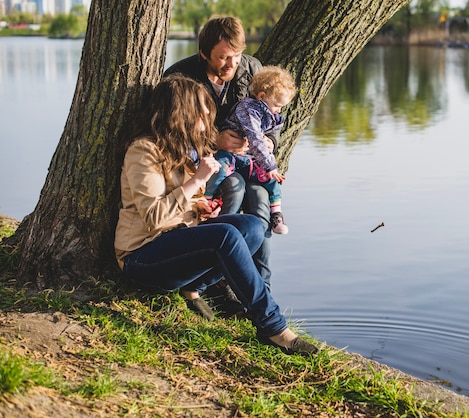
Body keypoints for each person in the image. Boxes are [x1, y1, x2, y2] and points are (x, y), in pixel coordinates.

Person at [114, 74, 318, 355]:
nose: (207, 123)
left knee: (252, 227)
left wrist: (203, 208)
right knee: (226, 236)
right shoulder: (143, 151)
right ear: (181, 115)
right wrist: (197, 181)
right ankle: (273, 327)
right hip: (142, 257)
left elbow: (187, 203)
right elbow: (154, 217)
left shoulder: (184, 149)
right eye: (202, 115)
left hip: (177, 243)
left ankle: (193, 287)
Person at [164, 15, 275, 289]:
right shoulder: (180, 77)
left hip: (249, 162)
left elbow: (271, 114)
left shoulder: (253, 68)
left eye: (237, 55)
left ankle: (261, 288)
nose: (232, 64)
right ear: (204, 53)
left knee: (261, 204)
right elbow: (172, 132)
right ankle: (218, 281)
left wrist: (270, 141)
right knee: (234, 188)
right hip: (207, 165)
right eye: (224, 57)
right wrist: (215, 140)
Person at [205, 65, 296, 235]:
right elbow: (254, 137)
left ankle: (276, 213)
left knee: (271, 180)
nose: (279, 110)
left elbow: (266, 136)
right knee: (219, 171)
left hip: (248, 157)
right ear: (261, 96)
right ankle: (207, 201)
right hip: (230, 153)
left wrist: (270, 144)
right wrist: (270, 165)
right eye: (277, 105)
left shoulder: (270, 112)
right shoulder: (248, 108)